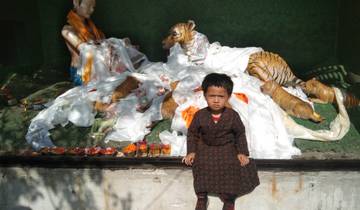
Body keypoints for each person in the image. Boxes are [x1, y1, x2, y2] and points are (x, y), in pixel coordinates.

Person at [182, 73, 259, 210]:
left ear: (228, 97)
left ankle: (229, 199)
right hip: (206, 147)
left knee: (232, 164)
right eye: (212, 96)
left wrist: (242, 153)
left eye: (221, 96)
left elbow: (240, 134)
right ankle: (201, 196)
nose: (216, 100)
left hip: (226, 147)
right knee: (200, 163)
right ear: (205, 95)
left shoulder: (232, 115)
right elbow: (192, 134)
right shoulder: (200, 115)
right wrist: (191, 152)